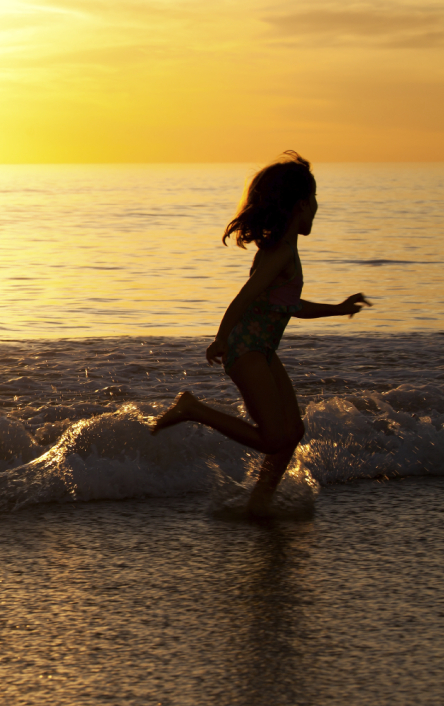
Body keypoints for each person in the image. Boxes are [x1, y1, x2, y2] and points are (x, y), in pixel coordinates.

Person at [151, 152, 370, 515]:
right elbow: (246, 295)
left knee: (293, 433)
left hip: (263, 350)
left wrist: (339, 309)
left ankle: (259, 502)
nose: (317, 207)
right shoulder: (280, 253)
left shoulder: (285, 251)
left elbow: (289, 305)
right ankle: (192, 408)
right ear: (301, 205)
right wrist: (221, 338)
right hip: (247, 350)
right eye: (315, 200)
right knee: (272, 438)